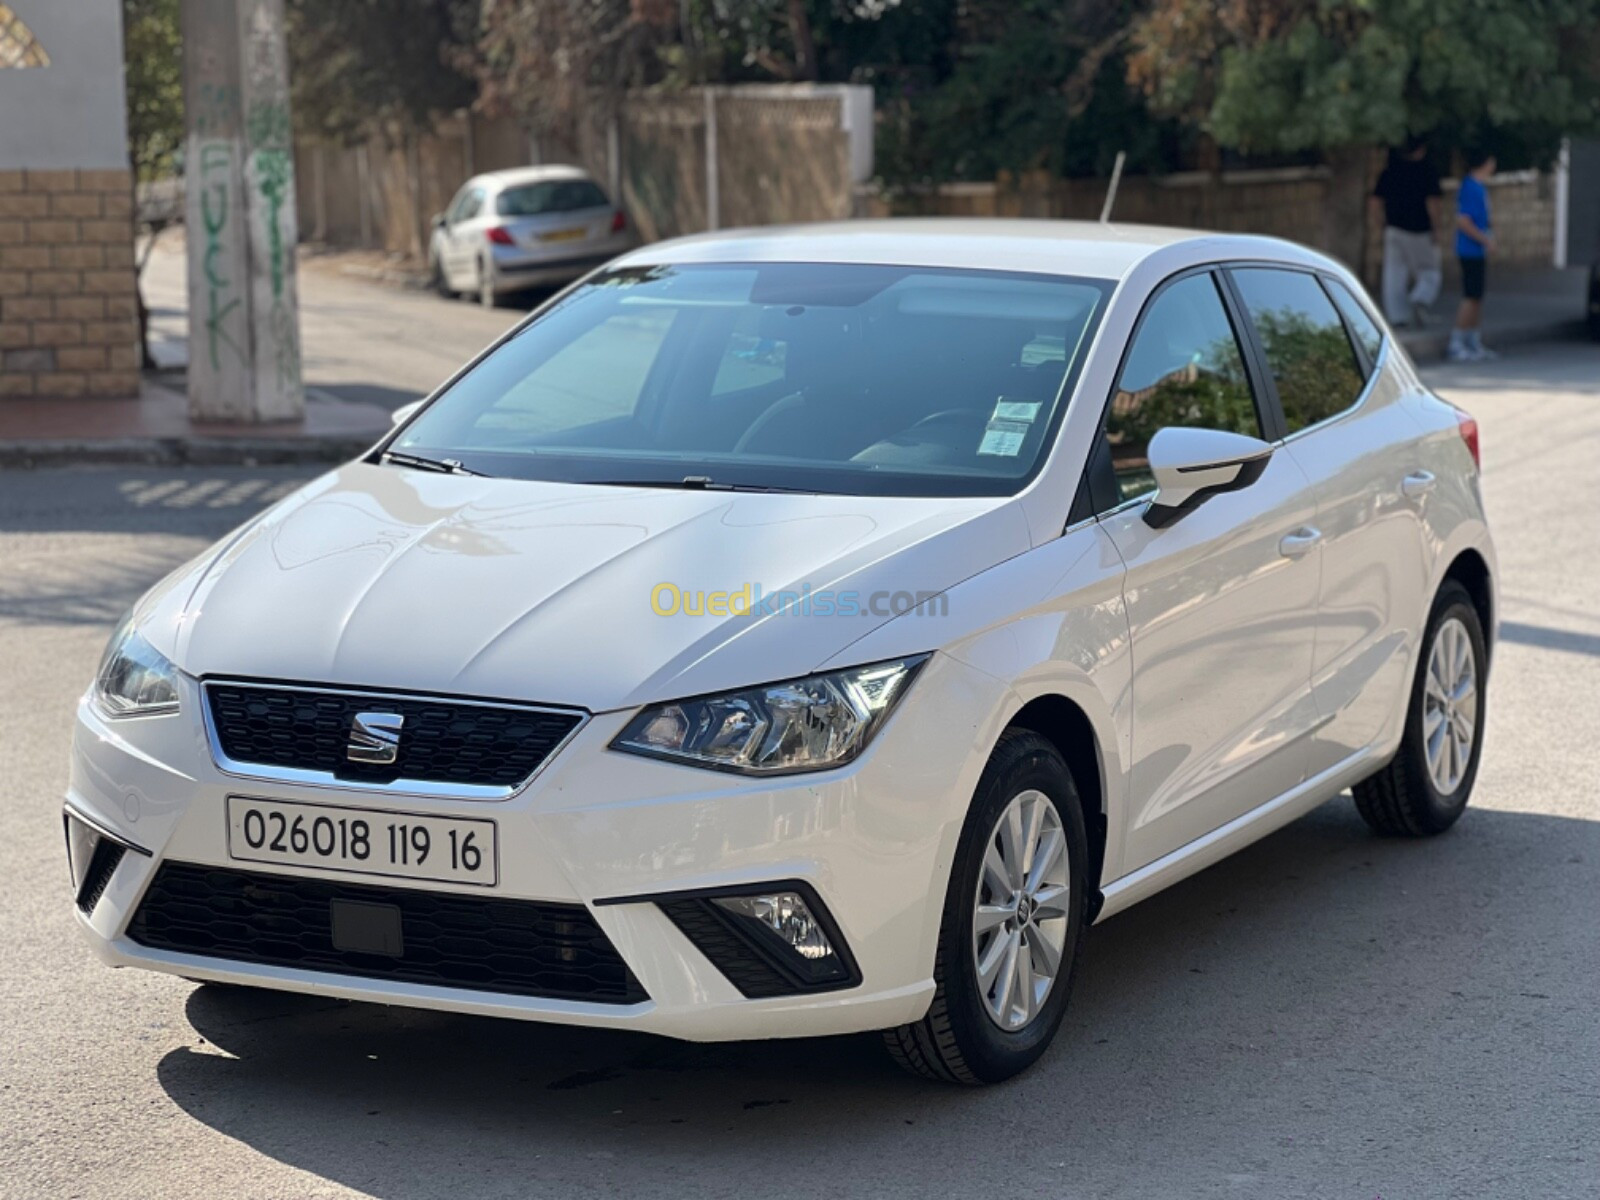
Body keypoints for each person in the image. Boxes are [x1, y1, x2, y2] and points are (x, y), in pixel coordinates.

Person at [1371, 137, 1443, 327]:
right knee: (1430, 270)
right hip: (1419, 229)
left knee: (1394, 273)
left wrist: (1382, 224)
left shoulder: (1389, 172)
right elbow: (1432, 204)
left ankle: (1398, 317)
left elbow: (1375, 203)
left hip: (1393, 228)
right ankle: (1420, 298)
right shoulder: (1427, 171)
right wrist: (1437, 229)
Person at [1449, 151, 1497, 363]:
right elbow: (1464, 220)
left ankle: (1473, 340)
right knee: (1470, 296)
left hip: (1478, 250)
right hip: (1469, 249)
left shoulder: (1479, 187)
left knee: (1477, 296)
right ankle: (1457, 342)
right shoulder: (1470, 187)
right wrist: (1484, 239)